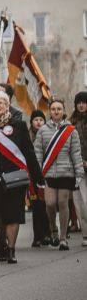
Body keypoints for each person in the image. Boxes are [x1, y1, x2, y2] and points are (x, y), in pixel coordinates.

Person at [0, 89, 44, 264]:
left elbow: (29, 153)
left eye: (1, 102)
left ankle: (11, 249)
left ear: (8, 105)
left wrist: (39, 179)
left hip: (15, 178)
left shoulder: (19, 126)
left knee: (13, 214)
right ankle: (2, 244)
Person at [34, 99, 85, 251]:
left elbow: (76, 153)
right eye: (53, 109)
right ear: (50, 111)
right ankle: (53, 229)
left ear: (63, 111)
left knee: (63, 203)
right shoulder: (43, 130)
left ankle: (63, 238)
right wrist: (37, 173)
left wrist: (78, 173)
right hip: (48, 173)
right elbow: (38, 153)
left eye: (59, 109)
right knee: (49, 203)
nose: (56, 111)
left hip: (66, 172)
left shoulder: (71, 130)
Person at [28, 109, 50, 247]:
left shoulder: (49, 135)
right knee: (36, 206)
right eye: (36, 120)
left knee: (47, 205)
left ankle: (48, 233)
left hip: (47, 174)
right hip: (32, 176)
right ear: (31, 122)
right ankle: (37, 236)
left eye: (41, 120)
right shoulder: (27, 136)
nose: (38, 122)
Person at [70, 92, 87, 246]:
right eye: (79, 102)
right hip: (77, 168)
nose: (81, 105)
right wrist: (79, 161)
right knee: (80, 203)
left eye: (84, 102)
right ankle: (85, 234)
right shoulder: (71, 123)